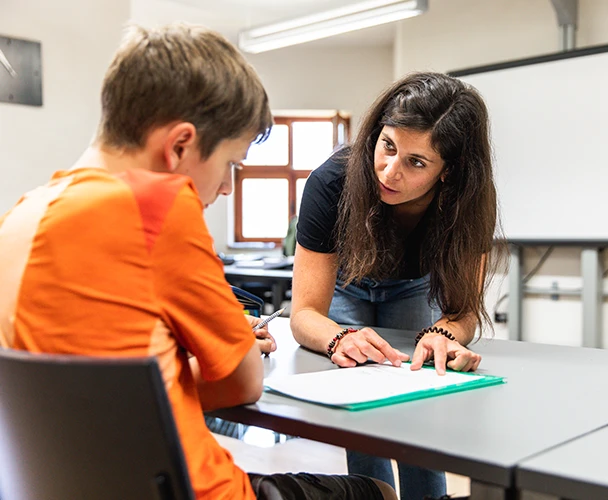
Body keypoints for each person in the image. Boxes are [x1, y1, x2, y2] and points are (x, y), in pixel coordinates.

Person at [0, 23, 396, 500]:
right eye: (230, 164)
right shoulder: (155, 206)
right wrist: (224, 344)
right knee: (375, 490)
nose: (227, 187)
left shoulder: (22, 214)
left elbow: (95, 390)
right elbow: (244, 381)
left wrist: (173, 359)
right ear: (180, 146)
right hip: (191, 490)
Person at [291, 71, 505, 500]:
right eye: (387, 146)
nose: (389, 171)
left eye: (416, 162)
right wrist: (340, 339)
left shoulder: (467, 203)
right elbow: (305, 314)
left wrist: (444, 336)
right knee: (363, 411)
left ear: (449, 172)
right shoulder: (330, 183)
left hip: (413, 287)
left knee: (417, 410)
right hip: (346, 285)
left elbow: (462, 312)